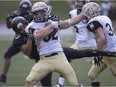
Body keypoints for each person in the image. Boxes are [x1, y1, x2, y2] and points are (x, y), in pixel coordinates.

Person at [25, 1, 116, 87]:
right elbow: (39, 35)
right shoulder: (31, 25)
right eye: (37, 13)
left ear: (46, 11)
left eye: (41, 13)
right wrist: (52, 25)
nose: (39, 15)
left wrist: (83, 14)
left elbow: (70, 22)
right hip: (44, 60)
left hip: (60, 57)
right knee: (29, 80)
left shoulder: (53, 20)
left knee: (74, 84)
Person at [55, 0, 97, 86]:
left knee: (94, 71)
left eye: (81, 4)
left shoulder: (92, 14)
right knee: (65, 60)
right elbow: (70, 23)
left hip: (92, 45)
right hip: (78, 44)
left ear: (86, 5)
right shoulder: (72, 13)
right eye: (77, 3)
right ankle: (60, 83)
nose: (78, 6)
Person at [82, 2, 116, 87]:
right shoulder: (105, 17)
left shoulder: (93, 22)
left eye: (86, 12)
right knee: (92, 74)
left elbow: (102, 39)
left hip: (110, 53)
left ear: (90, 13)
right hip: (105, 52)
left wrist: (96, 53)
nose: (85, 15)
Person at [0, 0, 34, 83]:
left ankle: (37, 76)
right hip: (19, 41)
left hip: (29, 41)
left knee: (36, 57)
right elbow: (8, 26)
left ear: (29, 9)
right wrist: (8, 19)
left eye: (26, 9)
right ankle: (3, 76)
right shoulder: (15, 15)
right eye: (22, 9)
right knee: (7, 55)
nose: (24, 11)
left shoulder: (31, 17)